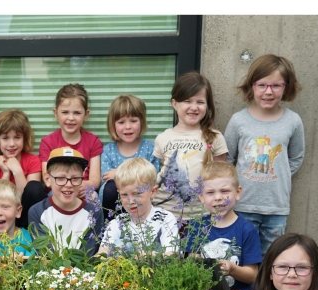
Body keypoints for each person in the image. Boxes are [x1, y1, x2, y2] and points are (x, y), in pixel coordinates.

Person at [224, 54, 306, 254]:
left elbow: (295, 158)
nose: (268, 92)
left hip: (276, 208)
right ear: (252, 86)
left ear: (286, 87)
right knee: (240, 257)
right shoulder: (238, 120)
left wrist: (278, 175)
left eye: (276, 86)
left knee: (272, 259)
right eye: (262, 85)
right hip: (243, 205)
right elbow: (227, 160)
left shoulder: (293, 121)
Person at [152, 72, 228, 221]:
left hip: (201, 215)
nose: (194, 107)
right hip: (165, 214)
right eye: (187, 101)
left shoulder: (215, 137)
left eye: (200, 102)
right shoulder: (163, 138)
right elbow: (164, 172)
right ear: (175, 103)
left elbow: (222, 176)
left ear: (207, 105)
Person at [183, 161, 262, 290]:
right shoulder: (195, 227)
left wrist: (232, 269)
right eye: (210, 192)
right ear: (201, 197)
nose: (218, 197)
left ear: (238, 193)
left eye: (224, 191)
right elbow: (192, 264)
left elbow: (252, 275)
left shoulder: (247, 230)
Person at [27, 148, 104, 254]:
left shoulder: (93, 213)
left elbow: (87, 255)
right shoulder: (37, 211)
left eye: (75, 178)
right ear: (48, 179)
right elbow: (45, 254)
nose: (68, 185)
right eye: (61, 178)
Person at [96, 158, 179, 257]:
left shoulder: (165, 219)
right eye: (124, 195)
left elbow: (171, 255)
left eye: (137, 194)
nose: (130, 201)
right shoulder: (118, 222)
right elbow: (102, 254)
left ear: (152, 192)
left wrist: (136, 255)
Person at [37, 83, 103, 202]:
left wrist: (84, 185)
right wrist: (67, 187)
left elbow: (95, 179)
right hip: (57, 190)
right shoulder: (47, 143)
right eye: (65, 112)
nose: (71, 118)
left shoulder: (93, 141)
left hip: (83, 189)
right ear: (56, 113)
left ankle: (95, 222)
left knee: (93, 197)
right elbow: (47, 177)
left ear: (86, 114)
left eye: (77, 113)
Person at [98, 94, 161, 218]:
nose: (128, 127)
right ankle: (110, 230)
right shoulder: (108, 150)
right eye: (121, 122)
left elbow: (153, 178)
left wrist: (118, 174)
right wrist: (137, 176)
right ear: (113, 125)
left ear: (141, 122)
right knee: (111, 188)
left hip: (141, 202)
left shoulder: (150, 149)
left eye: (133, 121)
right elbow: (106, 179)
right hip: (114, 203)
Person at [0, 107, 46, 221]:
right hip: (2, 218)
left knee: (35, 186)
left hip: (27, 217)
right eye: (5, 138)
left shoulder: (33, 160)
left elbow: (31, 196)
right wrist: (5, 173)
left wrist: (17, 171)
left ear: (24, 139)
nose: (11, 144)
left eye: (17, 137)